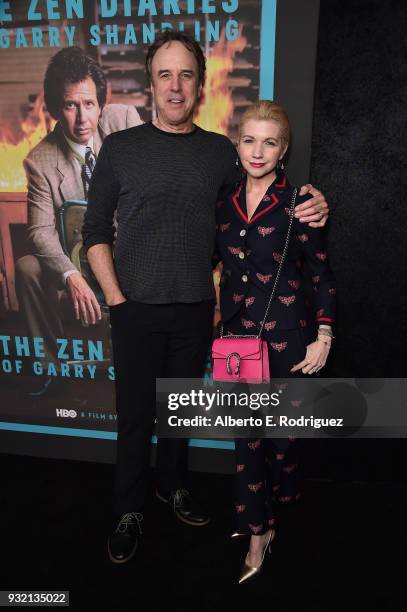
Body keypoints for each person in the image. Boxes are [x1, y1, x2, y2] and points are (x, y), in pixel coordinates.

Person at [82, 31, 330, 565]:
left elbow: (264, 194)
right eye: (164, 75)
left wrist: (315, 200)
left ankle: (171, 487)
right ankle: (129, 508)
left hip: (198, 309)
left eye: (186, 75)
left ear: (199, 86)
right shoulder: (120, 148)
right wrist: (117, 300)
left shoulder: (221, 152)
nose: (175, 86)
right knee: (134, 417)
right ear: (151, 83)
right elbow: (94, 229)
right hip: (134, 308)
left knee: (178, 412)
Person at [214, 100, 336, 583]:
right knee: (246, 438)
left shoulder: (300, 203)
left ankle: (280, 501)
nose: (257, 151)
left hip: (288, 338)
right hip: (237, 339)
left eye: (269, 142)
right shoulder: (223, 199)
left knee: (281, 441)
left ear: (283, 149)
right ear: (237, 144)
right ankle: (257, 528)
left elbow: (324, 276)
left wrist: (323, 335)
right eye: (249, 140)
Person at [15, 47, 142, 394]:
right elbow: (40, 230)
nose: (83, 118)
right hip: (77, 259)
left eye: (89, 104)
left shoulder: (124, 121)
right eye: (71, 105)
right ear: (56, 109)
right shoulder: (40, 161)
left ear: (101, 103)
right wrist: (71, 275)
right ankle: (52, 366)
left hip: (128, 251)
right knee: (27, 268)